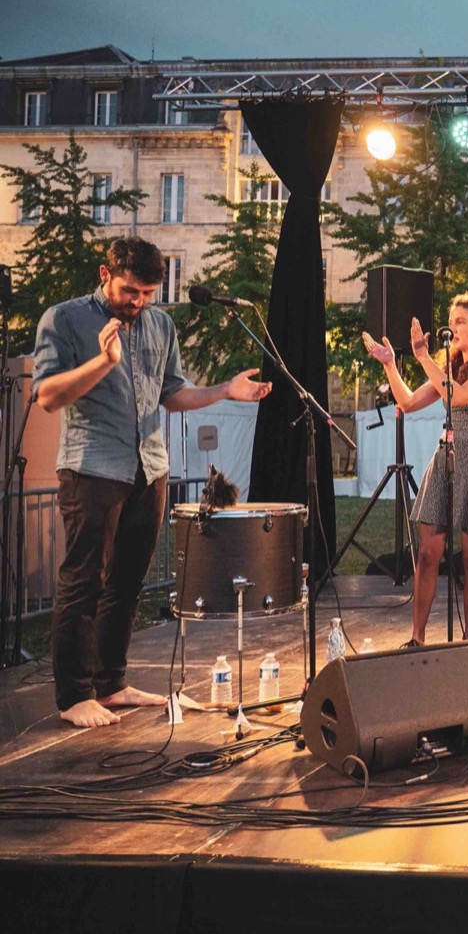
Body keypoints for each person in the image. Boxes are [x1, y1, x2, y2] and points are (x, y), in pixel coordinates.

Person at [32, 237, 272, 728]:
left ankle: (110, 683)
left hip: (150, 469)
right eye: (130, 291)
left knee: (126, 583)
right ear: (105, 274)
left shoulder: (161, 325)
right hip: (92, 468)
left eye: (147, 293)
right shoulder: (65, 319)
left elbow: (172, 394)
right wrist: (103, 362)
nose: (138, 301)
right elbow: (48, 396)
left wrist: (225, 390)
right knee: (84, 581)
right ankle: (74, 695)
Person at [362, 290, 468, 646]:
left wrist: (423, 357)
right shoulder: (448, 368)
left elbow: (457, 396)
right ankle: (417, 637)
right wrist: (390, 364)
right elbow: (408, 402)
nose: (453, 328)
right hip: (446, 455)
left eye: (461, 322)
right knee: (428, 551)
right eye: (450, 322)